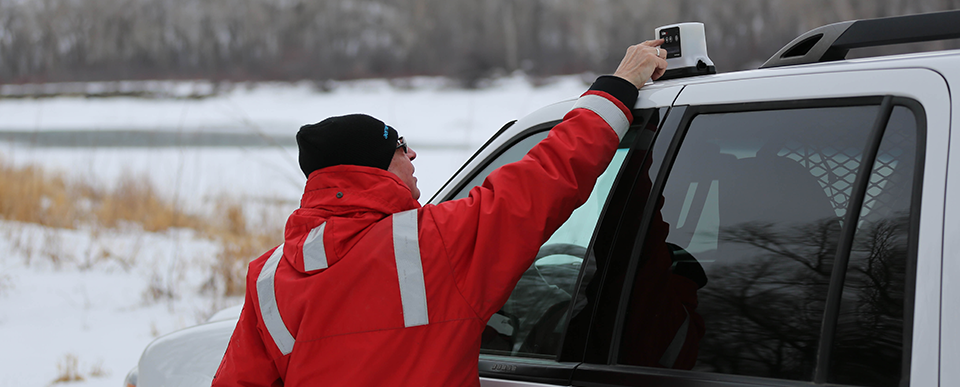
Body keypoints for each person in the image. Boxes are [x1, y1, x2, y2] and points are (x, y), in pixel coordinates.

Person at [212, 40, 668, 386]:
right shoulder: (435, 244)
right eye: (399, 147)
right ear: (371, 167)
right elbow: (545, 178)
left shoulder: (269, 276)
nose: (413, 155)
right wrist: (617, 88)